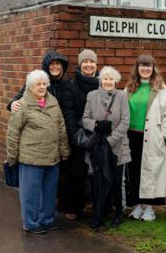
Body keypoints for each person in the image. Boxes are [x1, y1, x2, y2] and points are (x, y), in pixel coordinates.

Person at [6, 50, 76, 219]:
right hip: (34, 149)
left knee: (54, 184)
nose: (55, 67)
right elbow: (17, 105)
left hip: (60, 141)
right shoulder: (34, 84)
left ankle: (52, 214)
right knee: (33, 187)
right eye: (52, 64)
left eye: (58, 64)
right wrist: (12, 104)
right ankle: (32, 220)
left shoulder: (68, 86)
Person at [125, 54, 166, 222]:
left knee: (151, 172)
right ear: (137, 68)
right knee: (134, 172)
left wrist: (165, 137)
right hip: (132, 136)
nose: (145, 68)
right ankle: (137, 206)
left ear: (153, 68)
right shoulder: (130, 87)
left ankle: (149, 208)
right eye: (142, 65)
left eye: (149, 66)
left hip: (153, 138)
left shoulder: (161, 89)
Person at [82, 66, 131, 229]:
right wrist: (96, 125)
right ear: (100, 80)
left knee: (117, 181)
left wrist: (110, 140)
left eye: (111, 79)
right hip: (97, 146)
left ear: (115, 81)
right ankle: (99, 214)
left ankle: (118, 214)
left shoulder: (122, 96)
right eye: (105, 78)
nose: (108, 82)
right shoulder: (92, 96)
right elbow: (85, 119)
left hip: (116, 146)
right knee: (98, 180)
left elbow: (125, 121)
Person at [60, 49, 101, 220]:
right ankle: (74, 207)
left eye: (92, 62)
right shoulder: (71, 85)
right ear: (80, 64)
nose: (89, 65)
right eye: (85, 62)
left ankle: (99, 207)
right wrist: (76, 135)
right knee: (76, 173)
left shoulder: (101, 83)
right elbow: (68, 113)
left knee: (98, 172)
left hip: (98, 134)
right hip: (78, 135)